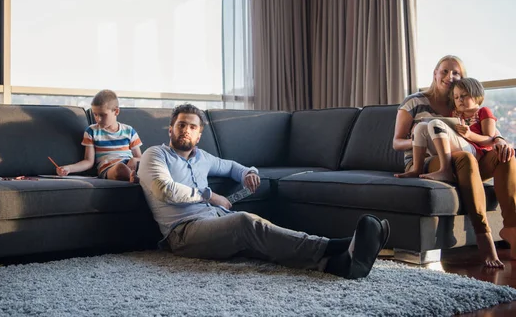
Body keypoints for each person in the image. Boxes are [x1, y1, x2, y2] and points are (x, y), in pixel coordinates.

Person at [138, 103, 390, 279]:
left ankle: (338, 264)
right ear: (170, 129)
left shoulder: (202, 157)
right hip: (182, 233)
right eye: (181, 125)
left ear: (199, 134)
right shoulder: (155, 154)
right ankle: (339, 245)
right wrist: (210, 195)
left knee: (263, 237)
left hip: (214, 219)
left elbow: (233, 167)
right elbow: (164, 190)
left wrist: (249, 172)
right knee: (246, 223)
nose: (186, 130)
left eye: (192, 127)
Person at [393, 55, 516, 268]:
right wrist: (418, 140)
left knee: (506, 155)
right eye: (445, 71)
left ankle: (512, 228)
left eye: (456, 72)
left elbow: (491, 134)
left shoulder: (459, 103)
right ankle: (484, 237)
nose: (450, 76)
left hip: (466, 154)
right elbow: (396, 142)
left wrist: (501, 140)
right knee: (465, 158)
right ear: (435, 74)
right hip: (426, 160)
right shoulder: (415, 101)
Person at [395, 77, 497, 183]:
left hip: (475, 152)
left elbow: (490, 139)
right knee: (421, 127)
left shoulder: (483, 111)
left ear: (476, 94)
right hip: (456, 148)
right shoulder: (455, 113)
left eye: (464, 96)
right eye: (456, 97)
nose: (459, 100)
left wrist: (469, 135)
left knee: (435, 123)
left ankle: (445, 170)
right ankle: (417, 169)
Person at [56, 89, 142, 182]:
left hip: (130, 165)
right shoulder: (91, 131)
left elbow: (140, 158)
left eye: (103, 115)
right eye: (95, 114)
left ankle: (135, 177)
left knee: (150, 160)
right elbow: (88, 161)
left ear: (116, 111)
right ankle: (134, 178)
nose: (98, 119)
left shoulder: (129, 131)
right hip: (109, 168)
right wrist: (69, 168)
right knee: (119, 169)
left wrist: (134, 160)